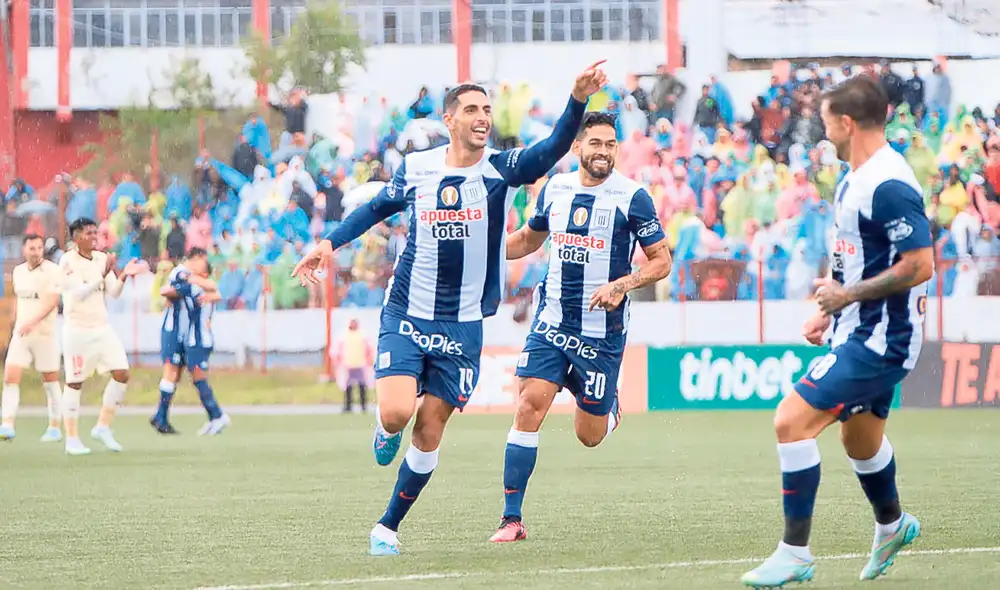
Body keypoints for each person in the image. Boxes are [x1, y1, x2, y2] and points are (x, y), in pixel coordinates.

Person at [292, 60, 608, 557]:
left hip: (462, 326)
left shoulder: (502, 169)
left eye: (487, 109)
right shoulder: (418, 168)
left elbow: (549, 151)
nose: (483, 117)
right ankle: (382, 425)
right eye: (471, 110)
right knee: (397, 415)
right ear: (450, 120)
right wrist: (330, 244)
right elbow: (376, 208)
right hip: (408, 311)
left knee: (430, 429)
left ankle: (387, 528)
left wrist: (577, 101)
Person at [741, 75, 933, 587]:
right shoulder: (854, 176)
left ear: (847, 123)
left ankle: (794, 553)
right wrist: (831, 307)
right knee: (861, 441)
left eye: (827, 122)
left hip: (880, 339)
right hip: (854, 327)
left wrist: (847, 297)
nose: (823, 132)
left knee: (791, 421)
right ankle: (892, 524)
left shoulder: (888, 183)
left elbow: (920, 265)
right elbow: (862, 257)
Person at [490, 112, 672, 542]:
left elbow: (662, 261)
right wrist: (483, 249)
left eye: (610, 144)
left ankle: (607, 409)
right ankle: (511, 519)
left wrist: (623, 285)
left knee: (588, 436)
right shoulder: (556, 187)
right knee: (528, 403)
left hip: (601, 333)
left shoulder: (633, 198)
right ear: (577, 147)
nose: (603, 151)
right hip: (552, 321)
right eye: (595, 143)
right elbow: (529, 239)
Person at [60, 218, 144, 455]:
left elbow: (113, 292)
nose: (95, 237)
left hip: (102, 328)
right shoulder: (67, 261)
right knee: (74, 382)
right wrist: (103, 272)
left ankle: (103, 427)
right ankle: (72, 438)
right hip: (77, 330)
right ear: (77, 237)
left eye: (96, 232)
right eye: (89, 233)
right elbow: (80, 292)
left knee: (122, 373)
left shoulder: (101, 258)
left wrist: (123, 275)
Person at [151, 248, 229, 435]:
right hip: (176, 333)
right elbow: (171, 290)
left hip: (194, 338)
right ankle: (162, 416)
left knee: (186, 375)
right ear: (197, 259)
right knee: (174, 373)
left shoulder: (196, 284)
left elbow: (212, 291)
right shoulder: (181, 273)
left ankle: (215, 416)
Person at [0, 235, 64, 442]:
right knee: (10, 377)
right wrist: (15, 322)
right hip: (21, 334)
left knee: (50, 381)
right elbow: (19, 299)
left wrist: (33, 322)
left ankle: (54, 426)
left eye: (39, 248)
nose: (36, 251)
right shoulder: (18, 271)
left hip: (44, 334)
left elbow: (52, 302)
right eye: (32, 248)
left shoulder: (52, 271)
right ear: (24, 249)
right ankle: (7, 424)